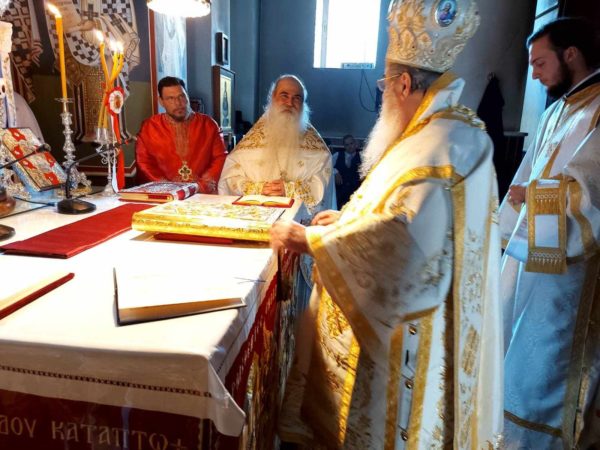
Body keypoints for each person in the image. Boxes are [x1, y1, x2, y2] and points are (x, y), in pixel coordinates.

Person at [271, 0, 503, 448]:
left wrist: (311, 238)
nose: (383, 97)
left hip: (413, 342)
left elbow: (402, 243)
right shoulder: (445, 133)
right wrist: (346, 219)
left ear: (403, 83)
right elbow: (405, 215)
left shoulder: (436, 145)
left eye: (384, 86)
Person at [500, 17, 600, 449]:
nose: (536, 74)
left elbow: (592, 193)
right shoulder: (557, 110)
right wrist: (501, 232)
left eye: (541, 63)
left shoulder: (598, 110)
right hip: (530, 259)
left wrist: (535, 197)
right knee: (517, 355)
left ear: (570, 55)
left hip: (572, 276)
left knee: (547, 365)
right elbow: (525, 175)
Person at [217, 74, 335, 214]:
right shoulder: (253, 140)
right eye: (284, 96)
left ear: (303, 104)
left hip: (296, 221)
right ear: (273, 97)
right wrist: (258, 189)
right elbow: (229, 178)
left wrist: (289, 190)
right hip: (256, 216)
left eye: (297, 98)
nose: (290, 103)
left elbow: (323, 184)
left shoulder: (317, 149)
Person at [135, 76, 226, 193]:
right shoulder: (149, 127)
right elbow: (144, 163)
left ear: (187, 96)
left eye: (181, 96)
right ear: (161, 101)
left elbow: (220, 157)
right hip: (166, 195)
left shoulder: (209, 125)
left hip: (202, 194)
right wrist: (168, 189)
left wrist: (200, 186)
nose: (178, 103)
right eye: (170, 98)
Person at [332, 134, 362, 207]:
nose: (350, 146)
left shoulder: (362, 156)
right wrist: (335, 172)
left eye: (351, 143)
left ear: (355, 143)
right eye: (347, 145)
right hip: (340, 194)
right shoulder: (337, 155)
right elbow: (326, 166)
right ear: (344, 146)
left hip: (356, 194)